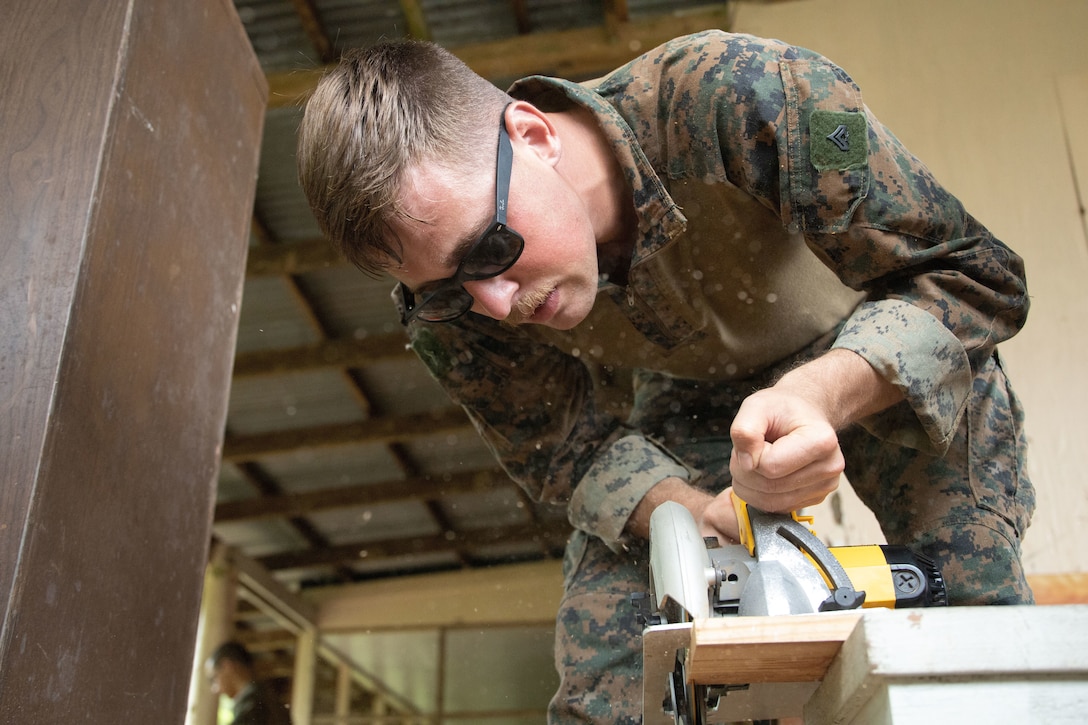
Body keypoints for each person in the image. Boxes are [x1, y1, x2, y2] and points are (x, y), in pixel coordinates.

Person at [296, 30, 1035, 723]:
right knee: (622, 668)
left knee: (978, 639)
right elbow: (563, 448)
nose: (495, 304)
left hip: (879, 340)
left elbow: (976, 277)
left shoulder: (738, 95)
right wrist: (690, 510)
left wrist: (819, 391)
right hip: (690, 400)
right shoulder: (449, 307)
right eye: (453, 287)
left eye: (490, 249)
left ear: (534, 135)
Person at [206, 641, 292, 725]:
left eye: (213, 679)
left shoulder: (252, 706)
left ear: (227, 666)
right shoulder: (270, 699)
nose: (215, 689)